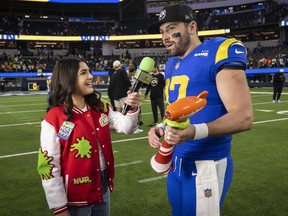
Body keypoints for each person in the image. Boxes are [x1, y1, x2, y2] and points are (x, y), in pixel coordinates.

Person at [147, 4, 253, 216]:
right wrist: (160, 127)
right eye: (161, 31)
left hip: (206, 163)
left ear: (192, 27)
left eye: (170, 28)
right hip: (177, 161)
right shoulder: (171, 64)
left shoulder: (219, 51)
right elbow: (177, 111)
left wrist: (195, 132)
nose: (165, 37)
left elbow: (244, 117)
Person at [37, 57, 141, 216]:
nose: (91, 76)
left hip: (102, 186)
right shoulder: (54, 118)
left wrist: (132, 107)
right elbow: (49, 165)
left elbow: (126, 126)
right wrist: (59, 207)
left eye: (89, 71)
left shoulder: (100, 107)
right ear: (68, 79)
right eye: (83, 73)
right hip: (74, 195)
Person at [127, 61, 144, 133]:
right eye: (129, 66)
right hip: (129, 94)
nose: (129, 67)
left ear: (134, 67)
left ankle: (136, 126)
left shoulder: (138, 73)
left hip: (137, 94)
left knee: (138, 111)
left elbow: (144, 82)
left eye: (131, 66)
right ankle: (132, 127)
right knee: (130, 111)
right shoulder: (126, 73)